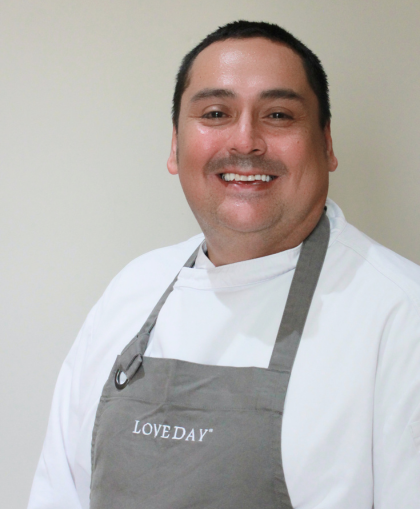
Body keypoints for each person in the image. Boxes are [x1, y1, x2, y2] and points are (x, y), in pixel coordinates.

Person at [28, 20, 420, 509]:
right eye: (216, 113)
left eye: (278, 115)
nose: (245, 141)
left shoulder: (400, 314)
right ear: (175, 146)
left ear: (326, 144)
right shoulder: (132, 291)